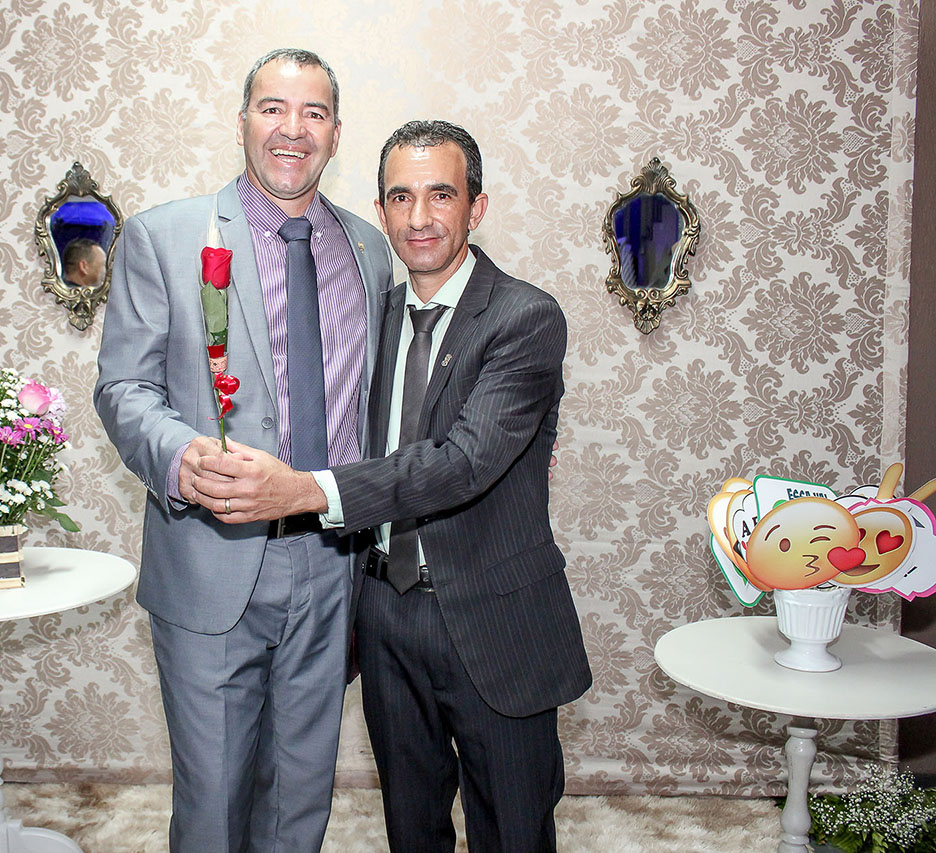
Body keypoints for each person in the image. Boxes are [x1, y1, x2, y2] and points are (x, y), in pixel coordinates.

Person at [193, 120, 592, 852]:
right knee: (410, 827)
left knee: (513, 831)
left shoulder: (525, 317)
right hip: (385, 610)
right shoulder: (370, 315)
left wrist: (305, 491)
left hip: (495, 617)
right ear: (380, 212)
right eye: (401, 197)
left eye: (441, 195)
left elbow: (462, 463)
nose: (419, 217)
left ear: (476, 207)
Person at [92, 49, 394, 852]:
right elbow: (123, 388)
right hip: (211, 559)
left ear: (335, 134)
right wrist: (180, 456)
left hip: (331, 564)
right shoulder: (165, 236)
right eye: (273, 108)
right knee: (215, 803)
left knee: (301, 796)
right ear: (241, 122)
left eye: (314, 113)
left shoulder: (370, 250)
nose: (293, 129)